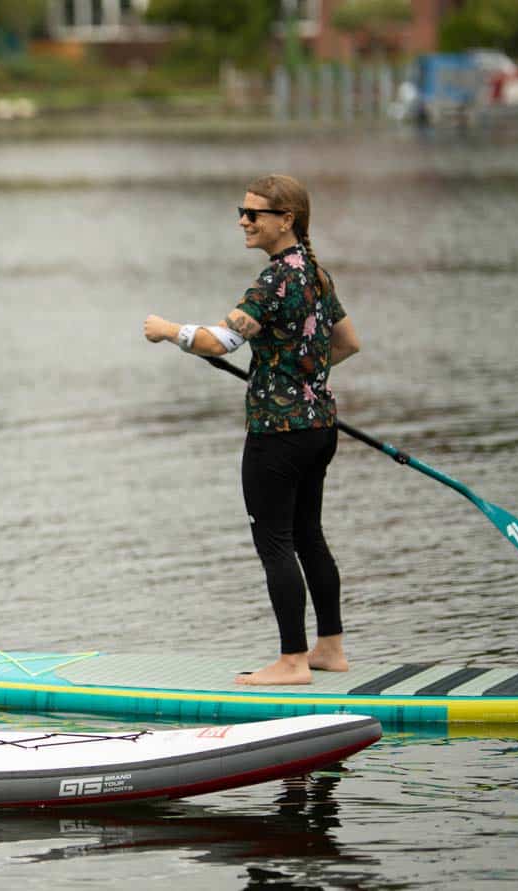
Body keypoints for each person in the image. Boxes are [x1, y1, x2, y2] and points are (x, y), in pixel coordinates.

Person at [142, 174, 361, 686]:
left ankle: (291, 662)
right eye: (240, 211)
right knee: (309, 535)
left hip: (277, 434)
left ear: (286, 220)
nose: (243, 220)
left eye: (253, 214)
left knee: (276, 542)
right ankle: (330, 648)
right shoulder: (315, 273)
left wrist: (168, 331)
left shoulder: (273, 281)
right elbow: (348, 342)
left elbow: (221, 342)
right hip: (318, 426)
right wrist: (299, 372)